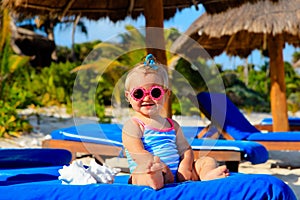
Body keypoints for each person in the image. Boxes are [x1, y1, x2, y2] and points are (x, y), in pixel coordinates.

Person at [122, 54, 229, 190]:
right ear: (128, 97)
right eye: (138, 94)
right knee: (142, 172)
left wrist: (185, 167)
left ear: (166, 94)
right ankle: (154, 180)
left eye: (155, 92)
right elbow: (137, 153)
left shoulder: (172, 125)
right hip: (151, 168)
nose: (147, 98)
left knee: (207, 161)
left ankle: (207, 175)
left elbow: (186, 149)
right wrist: (159, 166)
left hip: (178, 174)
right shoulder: (134, 125)